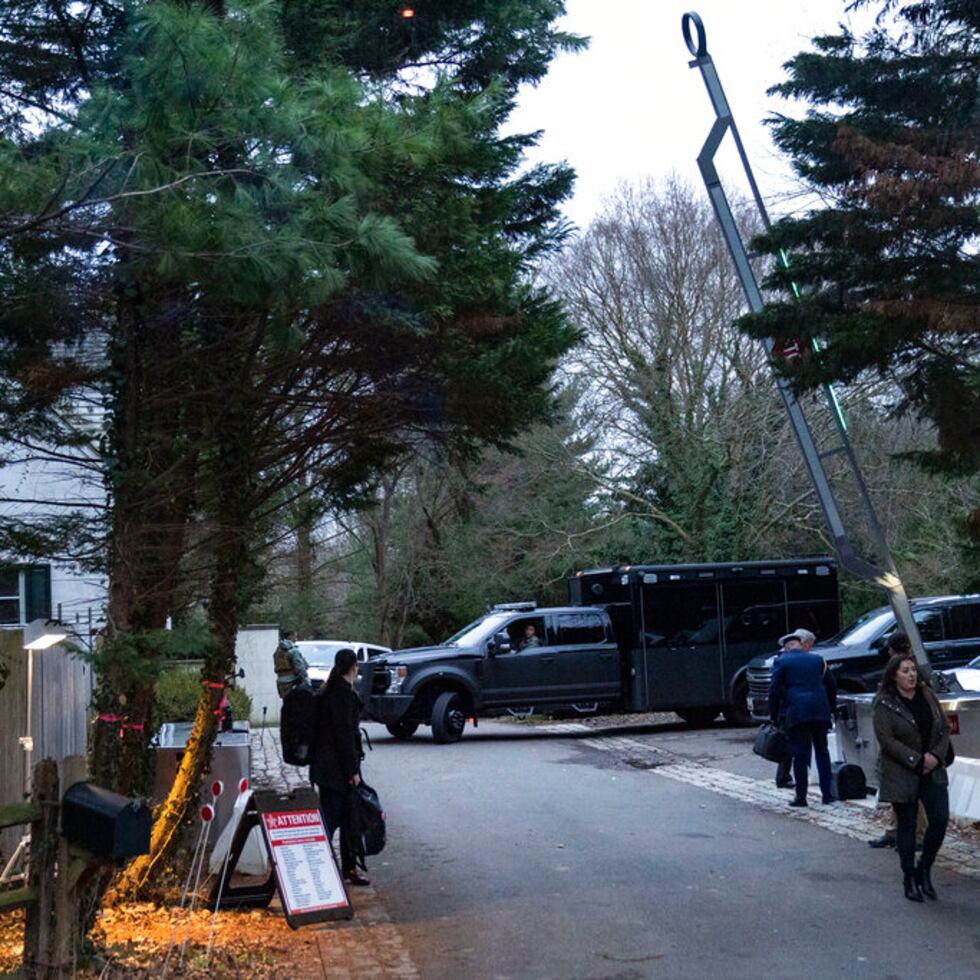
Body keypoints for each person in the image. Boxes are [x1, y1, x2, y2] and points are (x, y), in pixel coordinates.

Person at [872, 636, 949, 902]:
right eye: (906, 671)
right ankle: (908, 877)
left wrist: (935, 757)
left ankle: (924, 868)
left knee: (939, 819)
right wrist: (917, 759)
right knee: (906, 826)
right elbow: (887, 740)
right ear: (894, 676)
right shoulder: (884, 703)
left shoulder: (927, 695)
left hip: (933, 768)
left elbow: (943, 727)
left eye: (913, 670)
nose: (912, 675)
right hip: (903, 772)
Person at [309, 647, 369, 886]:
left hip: (325, 767)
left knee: (345, 817)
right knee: (333, 819)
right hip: (337, 770)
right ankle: (319, 865)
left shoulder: (328, 691)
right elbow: (344, 736)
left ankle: (348, 867)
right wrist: (353, 771)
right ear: (353, 667)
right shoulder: (342, 695)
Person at [868, 632, 928, 851]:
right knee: (898, 789)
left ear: (891, 650)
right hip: (901, 742)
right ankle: (895, 830)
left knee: (911, 790)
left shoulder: (904, 673)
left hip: (904, 742)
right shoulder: (913, 667)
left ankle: (918, 833)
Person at [769, 631, 836, 806]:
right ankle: (827, 794)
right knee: (822, 752)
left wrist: (774, 714)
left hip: (798, 712)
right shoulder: (818, 660)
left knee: (800, 753)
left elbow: (774, 689)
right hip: (820, 710)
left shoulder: (781, 661)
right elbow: (831, 684)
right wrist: (831, 708)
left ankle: (801, 797)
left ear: (786, 647)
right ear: (800, 645)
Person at [772, 629, 817, 788]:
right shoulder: (786, 660)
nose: (810, 649)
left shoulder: (784, 658)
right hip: (791, 707)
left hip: (790, 707)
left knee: (792, 742)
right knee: (793, 743)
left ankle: (786, 777)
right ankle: (787, 777)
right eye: (809, 645)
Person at [274, 629, 310, 699]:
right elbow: (300, 668)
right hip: (292, 682)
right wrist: (306, 680)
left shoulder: (278, 651)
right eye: (295, 636)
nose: (296, 639)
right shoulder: (293, 651)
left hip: (281, 683)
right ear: (290, 636)